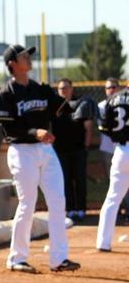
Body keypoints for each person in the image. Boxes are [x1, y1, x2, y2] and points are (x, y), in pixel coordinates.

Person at [0, 44, 80, 273]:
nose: (28, 59)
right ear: (13, 64)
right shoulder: (6, 95)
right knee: (28, 203)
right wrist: (35, 132)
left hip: (45, 150)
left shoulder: (39, 89)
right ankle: (17, 258)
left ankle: (58, 258)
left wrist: (76, 107)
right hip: (22, 151)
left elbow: (61, 109)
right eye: (23, 56)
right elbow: (9, 129)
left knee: (58, 201)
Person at [51, 79, 96, 222]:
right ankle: (70, 209)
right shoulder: (54, 106)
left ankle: (81, 209)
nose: (63, 91)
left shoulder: (80, 103)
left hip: (78, 150)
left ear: (72, 88)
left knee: (80, 179)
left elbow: (88, 128)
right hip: (61, 150)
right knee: (65, 181)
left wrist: (86, 147)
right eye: (60, 88)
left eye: (66, 88)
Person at [96, 85, 129, 252]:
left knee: (112, 198)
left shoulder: (113, 98)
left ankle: (103, 242)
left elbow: (105, 128)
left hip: (121, 150)